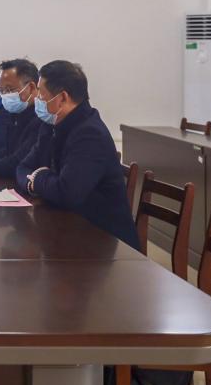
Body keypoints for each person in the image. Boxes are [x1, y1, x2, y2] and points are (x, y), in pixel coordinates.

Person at [15, 60, 139, 249]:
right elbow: (22, 168)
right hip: (68, 227)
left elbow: (67, 192)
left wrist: (37, 178)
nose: (37, 99)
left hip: (104, 242)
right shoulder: (51, 125)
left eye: (41, 94)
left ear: (62, 98)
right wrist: (36, 183)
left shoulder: (90, 134)